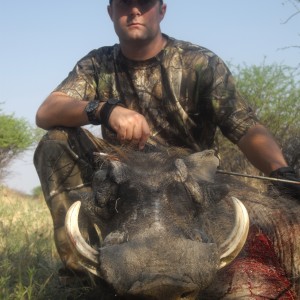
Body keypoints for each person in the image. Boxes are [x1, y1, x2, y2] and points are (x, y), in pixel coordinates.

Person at [34, 0, 300, 274]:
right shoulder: (96, 63)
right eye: (125, 3)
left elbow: (243, 126)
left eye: (145, 3)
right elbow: (46, 112)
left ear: (162, 10)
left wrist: (281, 172)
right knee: (55, 143)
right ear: (110, 11)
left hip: (187, 180)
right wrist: (103, 110)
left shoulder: (201, 63)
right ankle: (81, 269)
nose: (135, 10)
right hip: (123, 179)